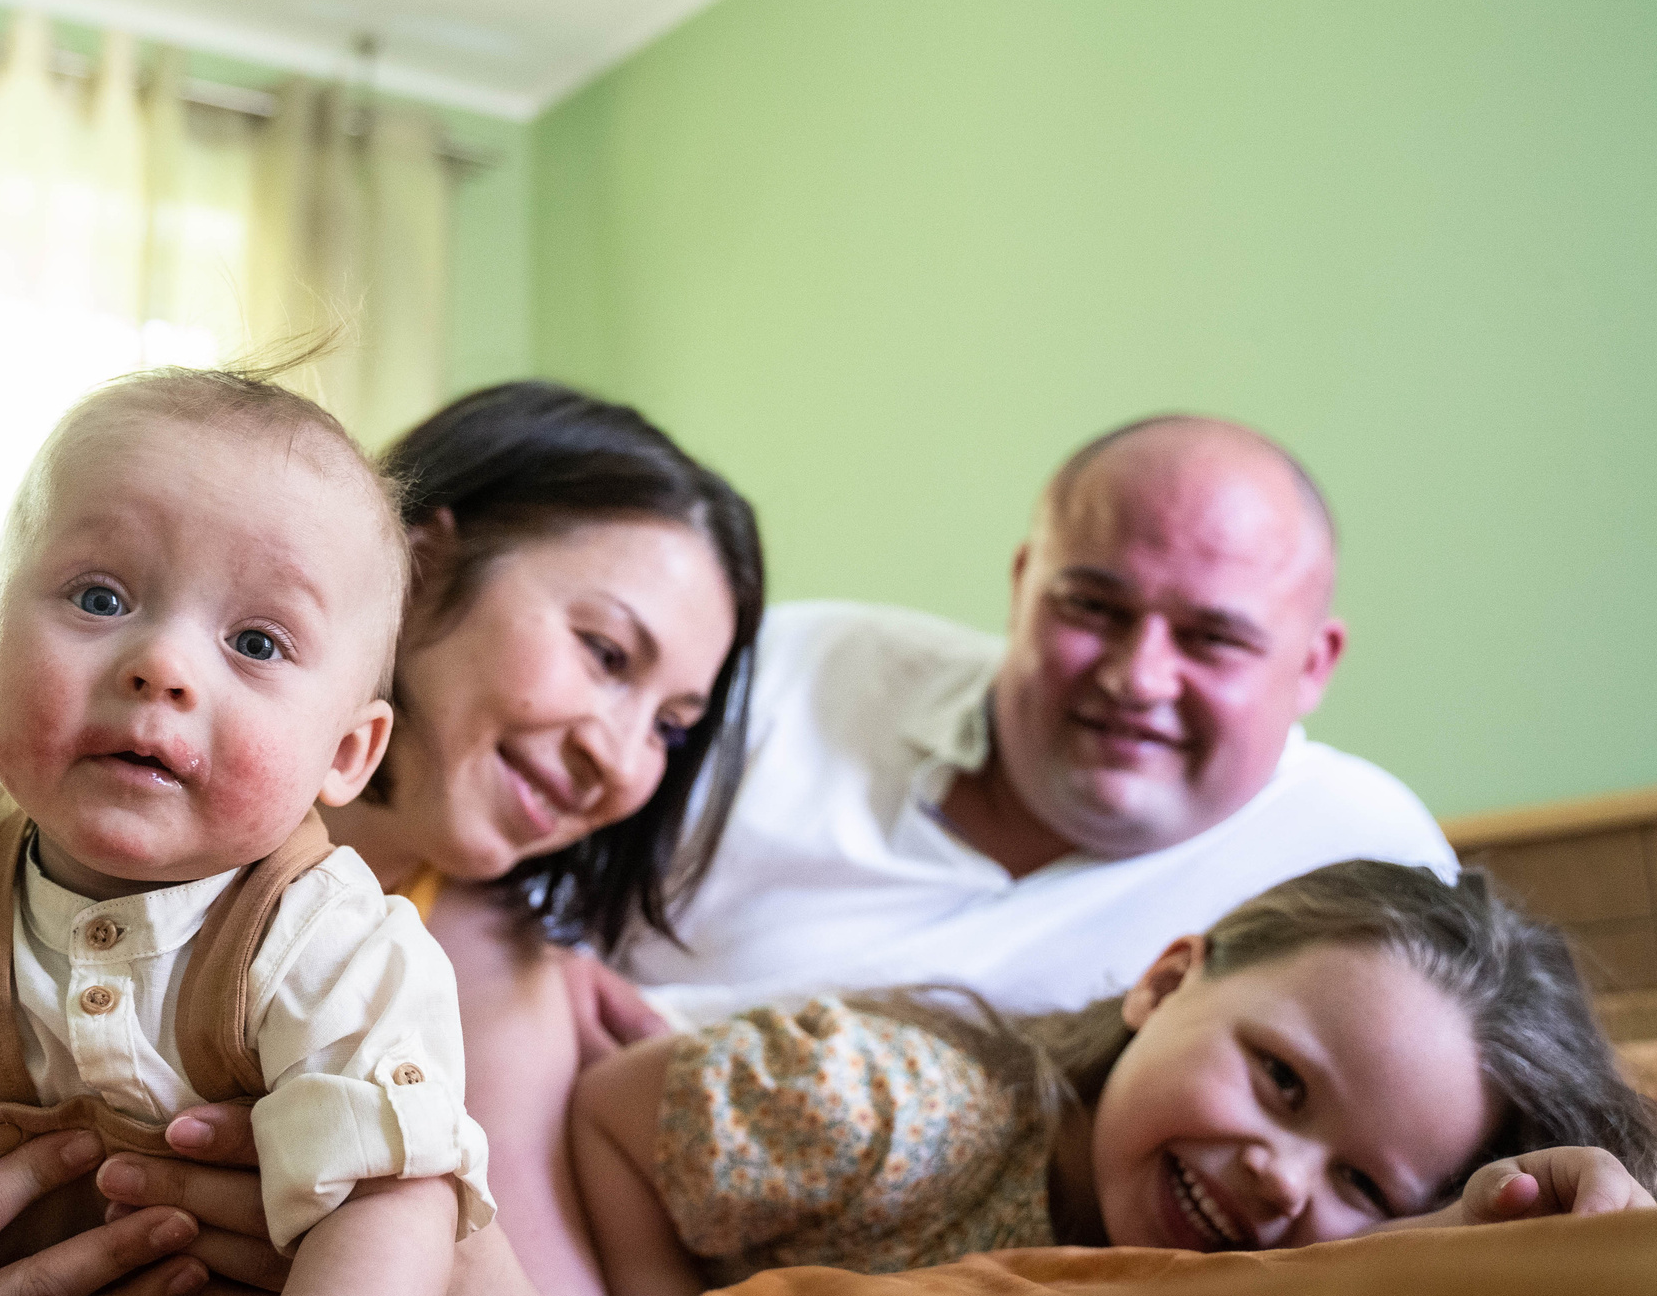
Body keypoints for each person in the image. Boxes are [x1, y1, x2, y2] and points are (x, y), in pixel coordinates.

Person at [0, 379, 764, 1296]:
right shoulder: (4, 749)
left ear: (354, 742)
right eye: (606, 654)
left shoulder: (473, 947)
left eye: (671, 724)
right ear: (429, 568)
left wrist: (378, 1269)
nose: (620, 759)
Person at [616, 414, 1457, 1029]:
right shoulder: (792, 675)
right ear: (1022, 585)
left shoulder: (1363, 863)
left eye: (1212, 638)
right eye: (1093, 606)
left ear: (1314, 663)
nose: (1139, 677)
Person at [569, 861, 1657, 1296]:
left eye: (1363, 1181)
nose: (1280, 1177)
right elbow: (614, 1112)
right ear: (1166, 983)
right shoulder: (884, 1109)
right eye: (1278, 1081)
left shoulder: (1267, 1295)